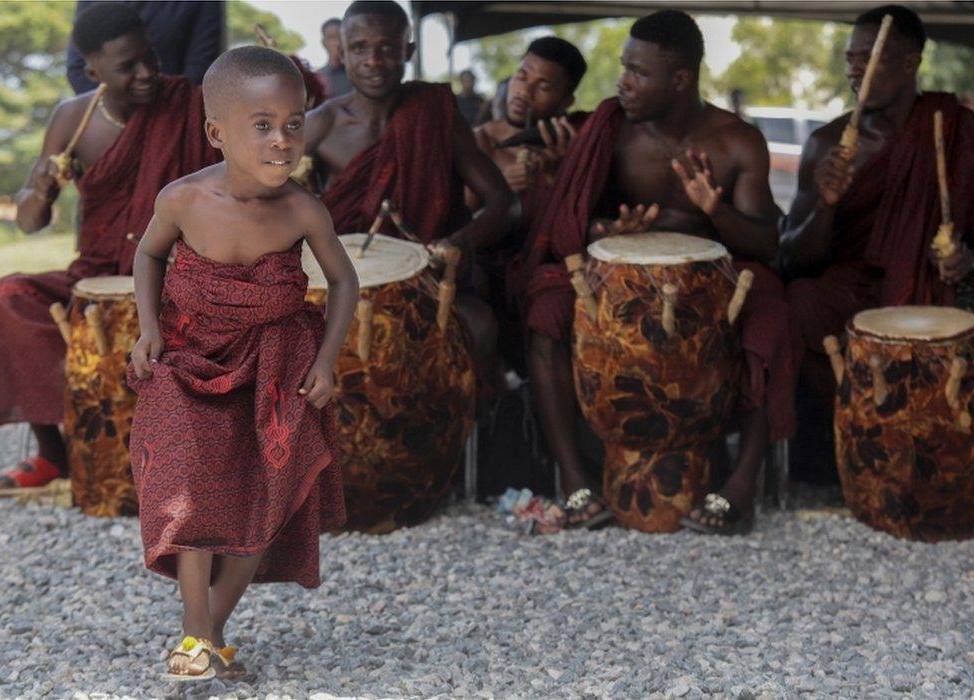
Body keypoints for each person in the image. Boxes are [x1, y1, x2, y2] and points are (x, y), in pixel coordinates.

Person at [126, 45, 359, 680]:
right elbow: (147, 257)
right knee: (185, 485)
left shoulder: (303, 209)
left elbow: (344, 283)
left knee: (267, 494)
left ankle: (207, 635)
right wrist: (149, 331)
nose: (283, 140)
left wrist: (328, 361)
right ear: (216, 132)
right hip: (185, 356)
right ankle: (196, 638)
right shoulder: (183, 200)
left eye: (294, 122)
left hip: (275, 364)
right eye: (262, 125)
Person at [518, 11, 794, 533]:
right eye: (625, 67)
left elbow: (766, 243)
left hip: (712, 280)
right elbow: (572, 224)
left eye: (639, 73)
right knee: (545, 313)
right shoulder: (612, 131)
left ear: (680, 80)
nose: (623, 81)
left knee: (772, 317)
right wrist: (605, 229)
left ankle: (740, 486)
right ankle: (576, 480)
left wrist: (716, 210)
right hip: (615, 281)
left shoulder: (737, 142)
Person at [0, 4, 219, 489]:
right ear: (92, 71)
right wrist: (42, 185)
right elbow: (32, 222)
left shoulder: (189, 106)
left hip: (175, 274)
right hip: (94, 275)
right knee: (9, 298)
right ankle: (56, 454)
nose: (146, 73)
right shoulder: (73, 120)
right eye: (127, 67)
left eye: (149, 58)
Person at [781, 5, 974, 475]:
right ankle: (858, 442)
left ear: (910, 64)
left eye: (869, 58)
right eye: (850, 58)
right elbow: (790, 257)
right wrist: (826, 203)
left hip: (938, 286)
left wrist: (967, 259)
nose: (855, 69)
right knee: (799, 304)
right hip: (853, 287)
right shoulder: (828, 145)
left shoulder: (957, 132)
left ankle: (945, 464)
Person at [304, 0, 516, 387]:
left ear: (409, 52)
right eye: (359, 48)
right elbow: (263, 198)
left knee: (481, 326)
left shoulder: (436, 115)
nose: (373, 60)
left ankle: (473, 436)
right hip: (344, 283)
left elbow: (503, 203)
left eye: (387, 48)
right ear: (341, 52)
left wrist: (456, 242)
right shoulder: (319, 125)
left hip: (428, 277)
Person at [468, 37, 588, 373]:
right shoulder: (481, 141)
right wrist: (499, 190)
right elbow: (460, 222)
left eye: (543, 85)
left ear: (566, 100)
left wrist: (558, 176)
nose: (524, 91)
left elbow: (582, 223)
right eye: (522, 76)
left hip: (548, 270)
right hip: (490, 271)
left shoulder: (576, 146)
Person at [67, 0, 224, 93]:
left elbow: (202, 66)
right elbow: (78, 67)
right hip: (110, 112)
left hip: (174, 112)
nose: (145, 73)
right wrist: (113, 111)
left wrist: (167, 108)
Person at [317, 17, 353, 99]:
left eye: (341, 37)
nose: (337, 43)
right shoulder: (316, 79)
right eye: (332, 37)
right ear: (324, 43)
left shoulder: (358, 77)